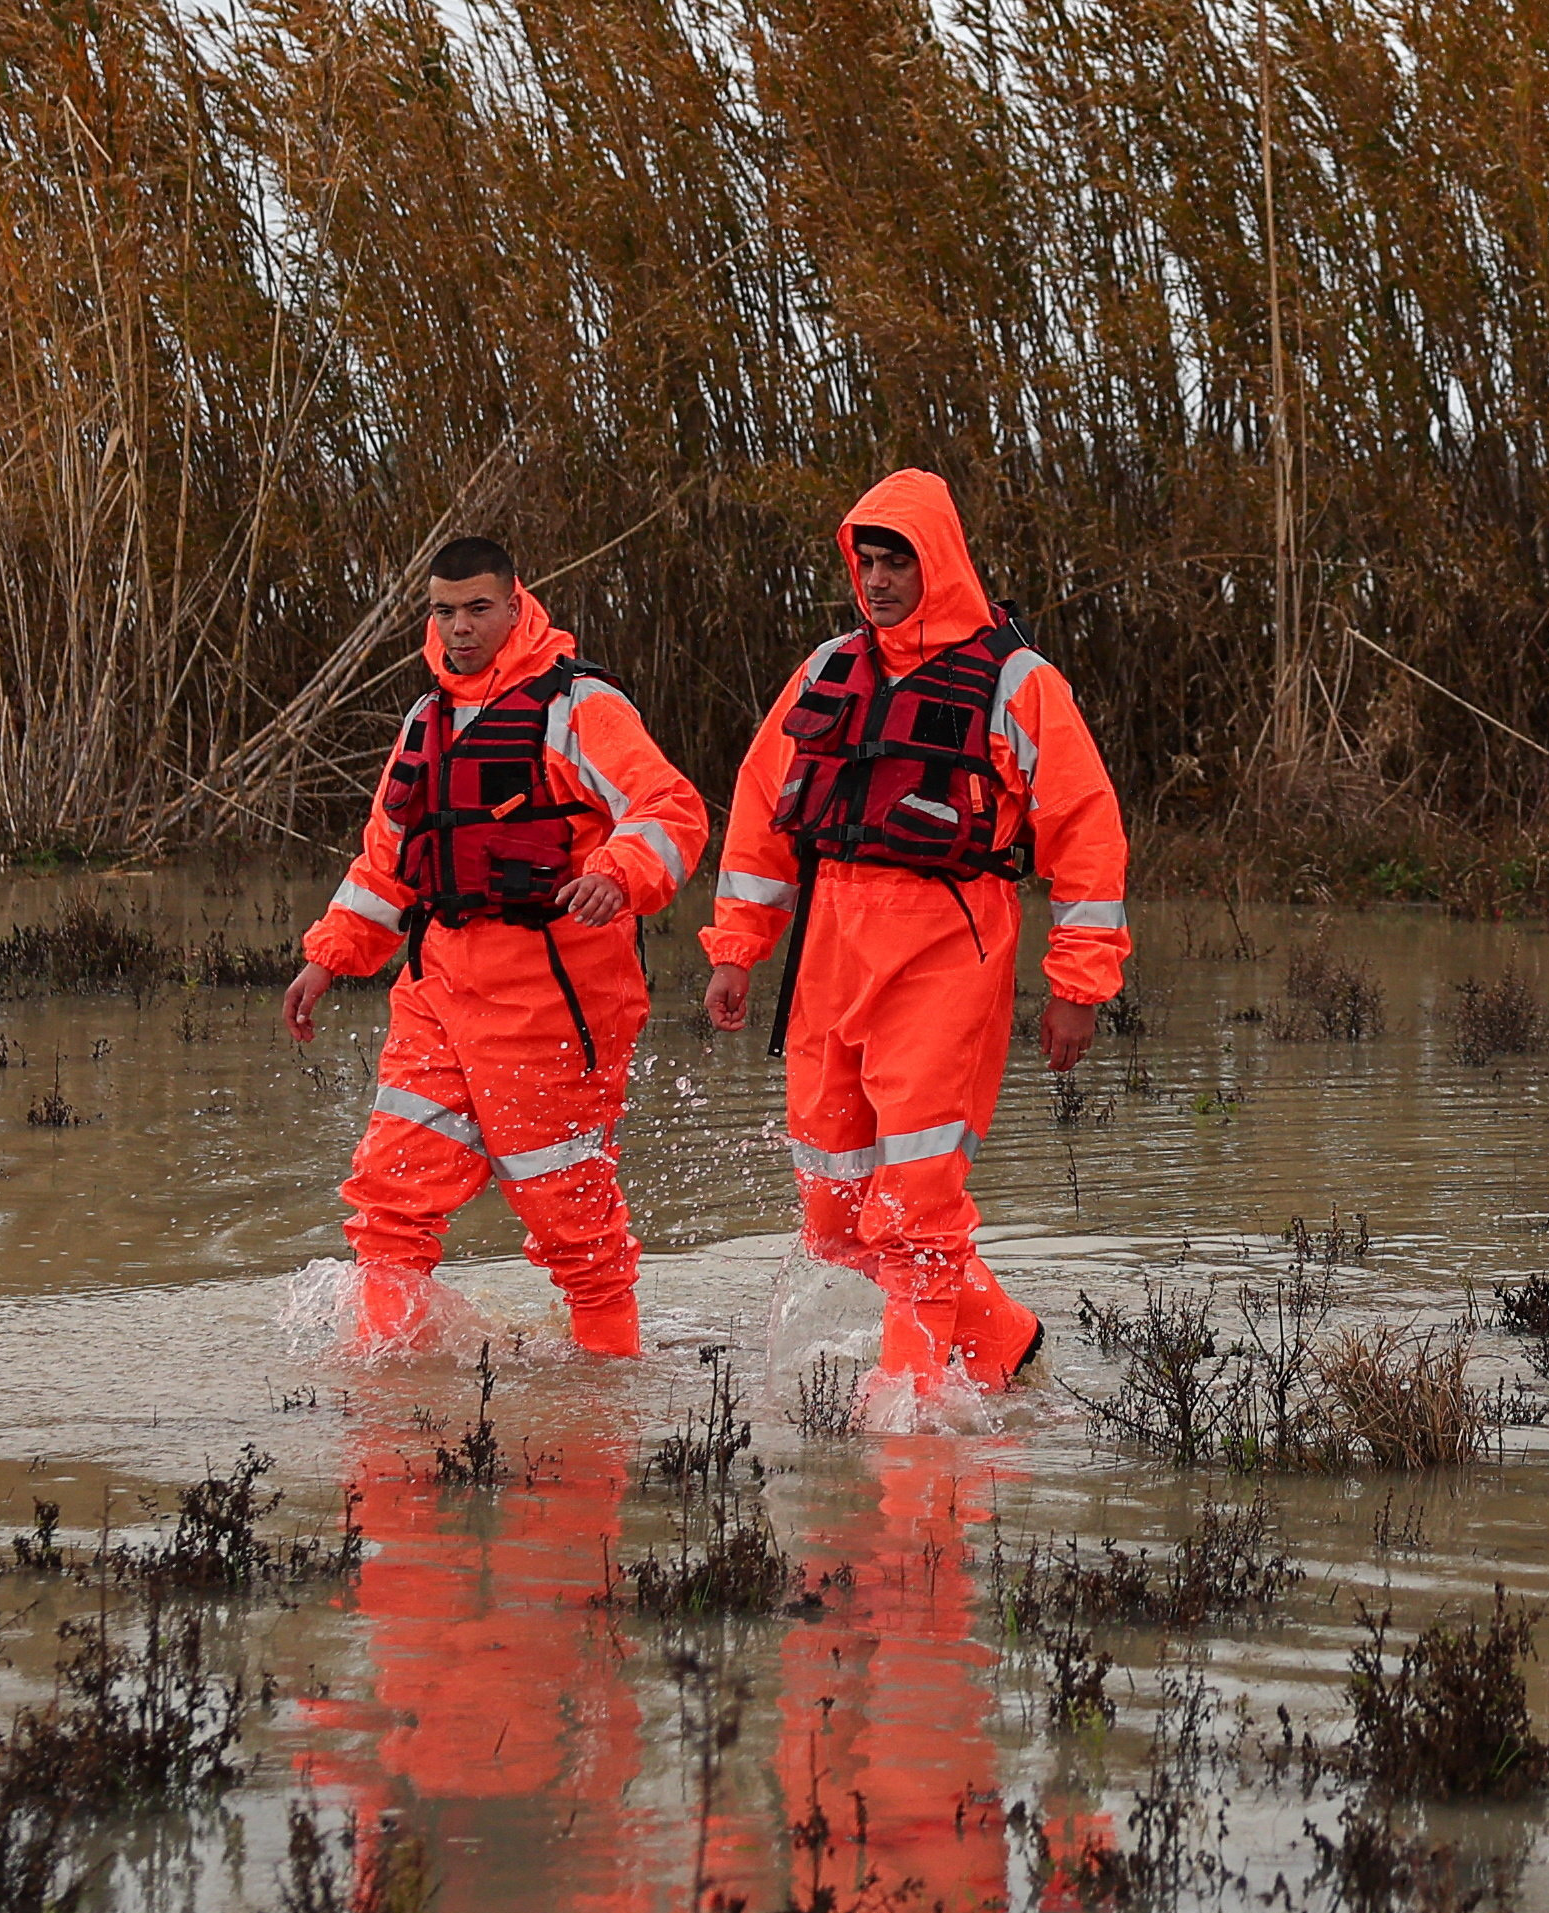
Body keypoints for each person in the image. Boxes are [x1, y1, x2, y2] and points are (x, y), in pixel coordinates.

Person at [699, 471, 1129, 1395]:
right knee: (838, 1218)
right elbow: (760, 809)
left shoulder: (1017, 681)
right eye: (869, 562)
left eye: (900, 560)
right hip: (827, 951)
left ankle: (912, 1423)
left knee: (919, 1211)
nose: (881, 580)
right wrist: (738, 947)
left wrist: (1078, 987)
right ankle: (1003, 1340)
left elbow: (1085, 829)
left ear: (939, 564)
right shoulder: (825, 671)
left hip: (950, 948)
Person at [283, 533, 706, 1358]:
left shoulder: (578, 706)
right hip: (437, 992)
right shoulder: (426, 718)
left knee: (574, 1230)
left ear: (517, 604)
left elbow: (672, 809)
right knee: (389, 1207)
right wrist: (329, 955)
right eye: (445, 611)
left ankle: (604, 1405)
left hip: (554, 1001)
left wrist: (617, 873)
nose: (461, 627)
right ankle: (383, 1418)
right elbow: (388, 859)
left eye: (479, 608)